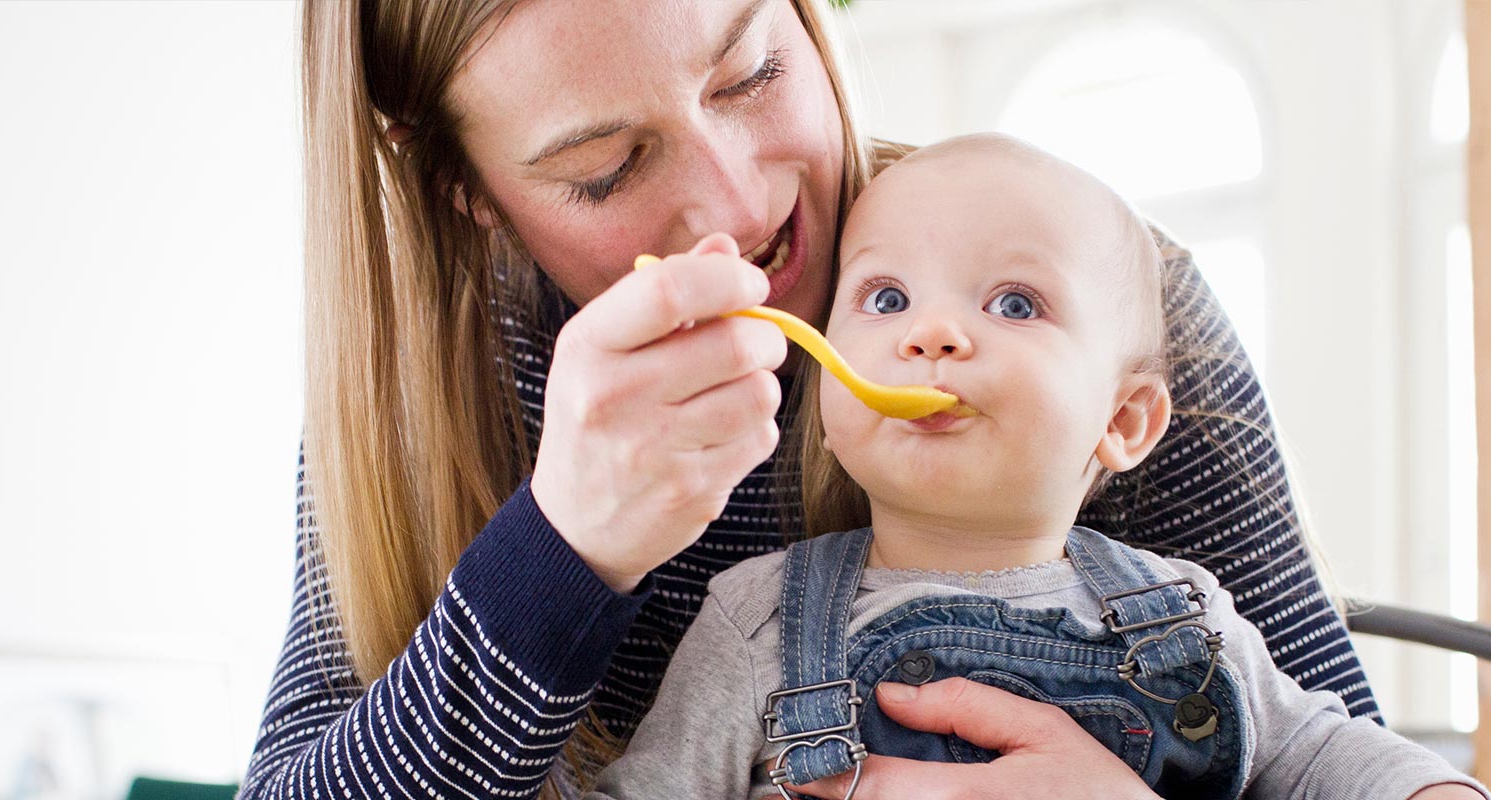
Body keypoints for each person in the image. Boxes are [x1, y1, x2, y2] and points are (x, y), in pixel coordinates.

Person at [245, 1, 1381, 797]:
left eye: (750, 73)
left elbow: (1347, 754)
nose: (736, 206)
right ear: (469, 192)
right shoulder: (439, 390)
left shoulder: (1104, 313)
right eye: (607, 167)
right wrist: (560, 553)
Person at [584, 134, 1487, 800]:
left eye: (1015, 303)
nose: (931, 333)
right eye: (886, 297)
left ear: (1123, 420)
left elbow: (1327, 758)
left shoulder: (1186, 615)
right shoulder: (757, 620)